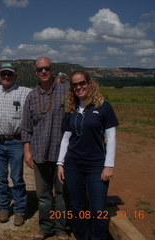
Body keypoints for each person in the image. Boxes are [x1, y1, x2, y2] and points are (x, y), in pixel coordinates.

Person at [57, 70, 119, 240]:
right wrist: (60, 163)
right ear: (72, 88)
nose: (79, 87)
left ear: (89, 83)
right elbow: (66, 139)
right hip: (73, 165)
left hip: (96, 166)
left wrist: (109, 165)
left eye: (82, 83)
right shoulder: (71, 109)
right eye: (75, 84)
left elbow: (111, 137)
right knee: (78, 207)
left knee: (98, 209)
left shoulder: (103, 106)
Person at [21, 57, 70, 240]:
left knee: (62, 194)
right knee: (43, 195)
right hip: (39, 153)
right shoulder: (32, 96)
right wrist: (27, 151)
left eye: (46, 68)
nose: (43, 71)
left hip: (61, 155)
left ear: (52, 69)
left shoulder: (66, 92)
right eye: (40, 69)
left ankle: (61, 228)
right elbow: (26, 127)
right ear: (35, 72)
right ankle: (46, 227)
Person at [0, 63, 31, 226]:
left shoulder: (25, 92)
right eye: (3, 74)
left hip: (16, 142)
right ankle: (4, 208)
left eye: (10, 74)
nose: (6, 76)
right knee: (0, 178)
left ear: (15, 76)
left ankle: (19, 210)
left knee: (17, 178)